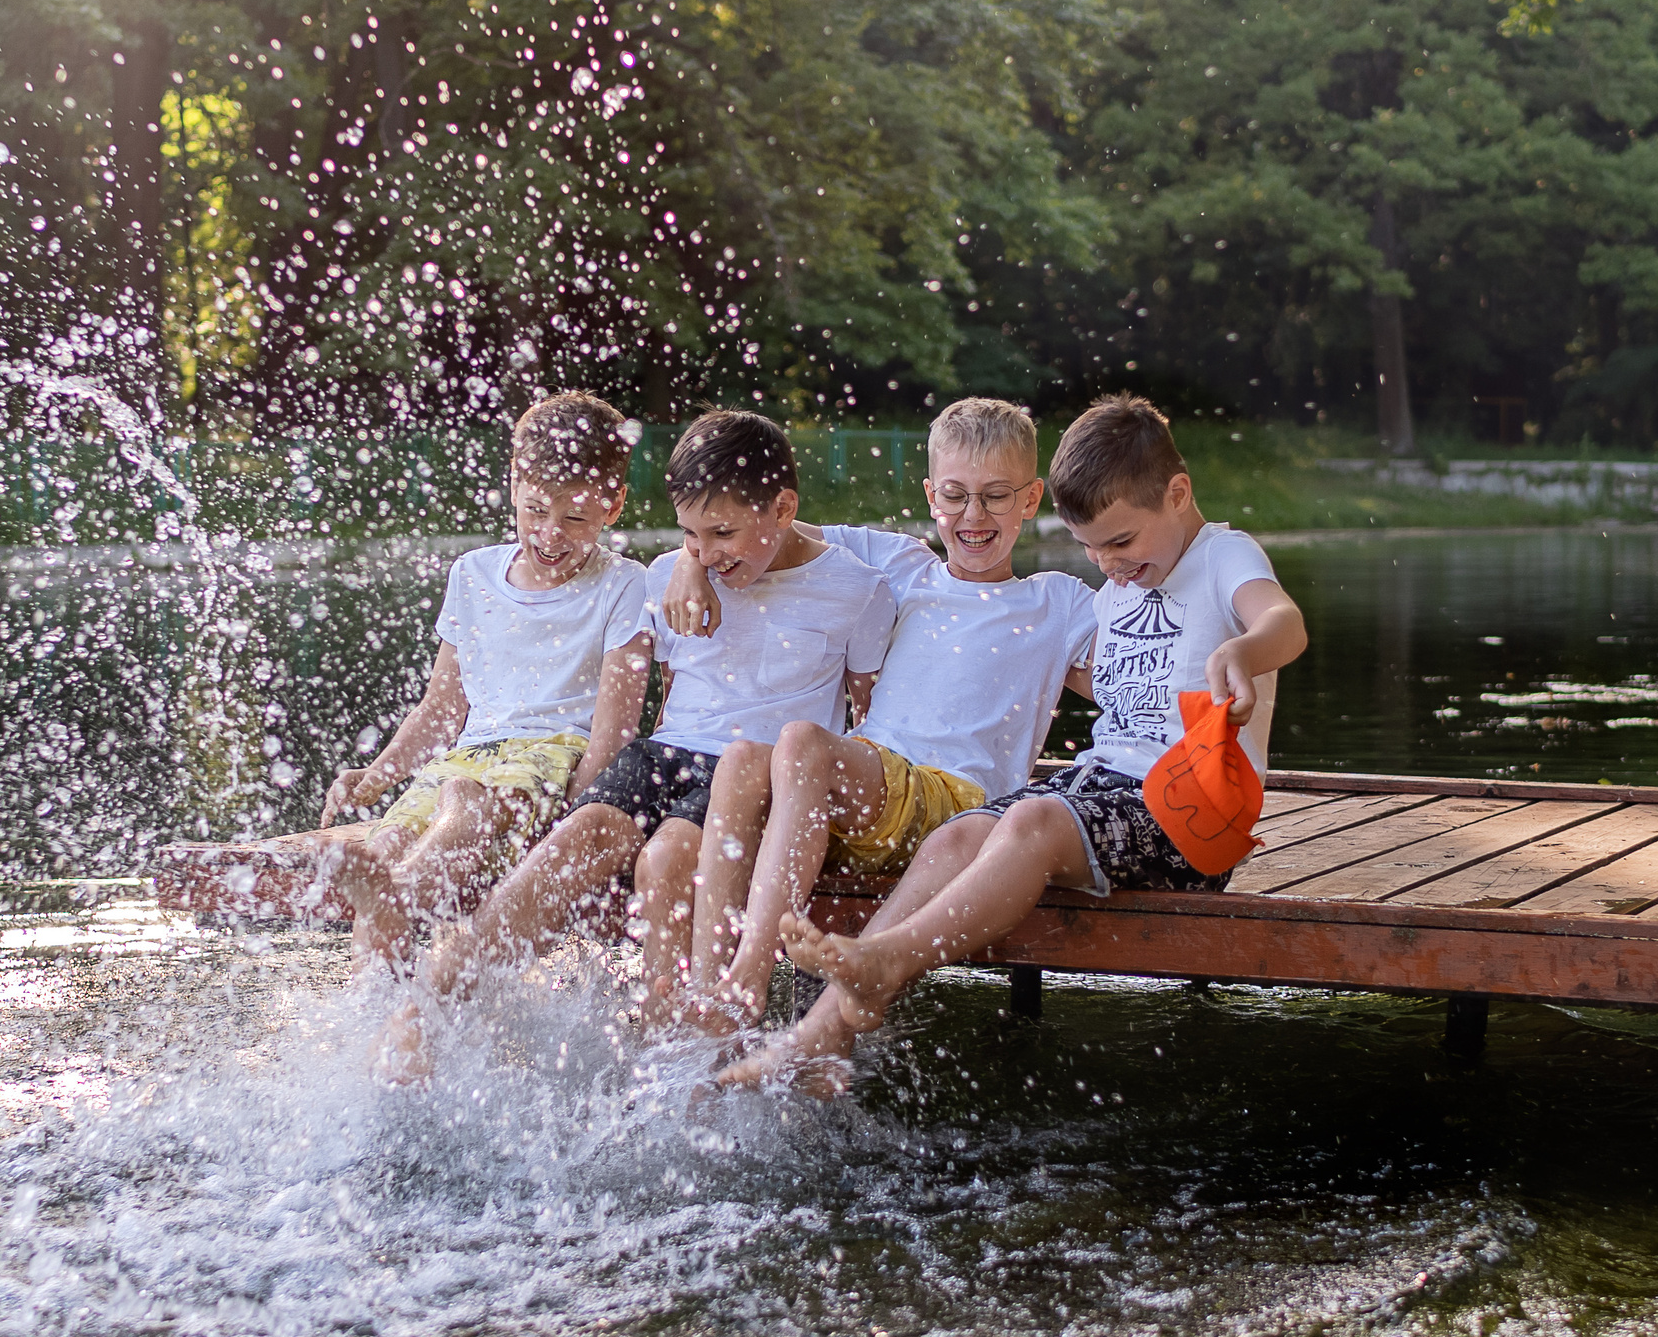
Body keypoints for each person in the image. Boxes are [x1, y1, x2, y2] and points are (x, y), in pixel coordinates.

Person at [748, 393, 1309, 1092]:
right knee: (957, 838)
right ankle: (823, 1028)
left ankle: (884, 960)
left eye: (1119, 543)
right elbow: (1096, 674)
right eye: (1090, 548)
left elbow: (1285, 622)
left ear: (1178, 493)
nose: (1106, 563)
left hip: (1190, 807)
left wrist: (1247, 652)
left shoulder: (1222, 555)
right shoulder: (1121, 584)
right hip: (1106, 781)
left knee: (1032, 819)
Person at [393, 409, 898, 1078]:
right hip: (663, 756)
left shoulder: (857, 590)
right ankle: (435, 992)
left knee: (666, 861)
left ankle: (674, 1059)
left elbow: (867, 714)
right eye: (691, 533)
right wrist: (689, 560)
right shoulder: (668, 573)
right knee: (581, 837)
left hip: (750, 776)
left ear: (783, 508)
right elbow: (648, 660)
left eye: (721, 533)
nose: (709, 550)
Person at [658, 398, 1096, 1045]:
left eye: (995, 496)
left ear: (1031, 499)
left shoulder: (1056, 601)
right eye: (954, 495)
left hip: (953, 803)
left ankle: (748, 979)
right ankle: (706, 992)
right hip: (867, 793)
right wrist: (686, 563)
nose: (973, 516)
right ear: (930, 493)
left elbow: (1140, 674)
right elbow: (749, 523)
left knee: (802, 741)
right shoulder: (898, 563)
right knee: (746, 758)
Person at [314, 391, 653, 1038]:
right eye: (536, 511)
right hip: (462, 761)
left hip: (550, 758)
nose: (551, 534)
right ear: (514, 487)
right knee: (389, 841)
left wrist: (570, 820)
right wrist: (380, 775)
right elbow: (443, 709)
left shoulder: (624, 585)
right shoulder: (473, 574)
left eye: (576, 519)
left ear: (612, 505)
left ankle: (402, 893)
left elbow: (614, 733)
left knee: (470, 802)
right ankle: (376, 1027)